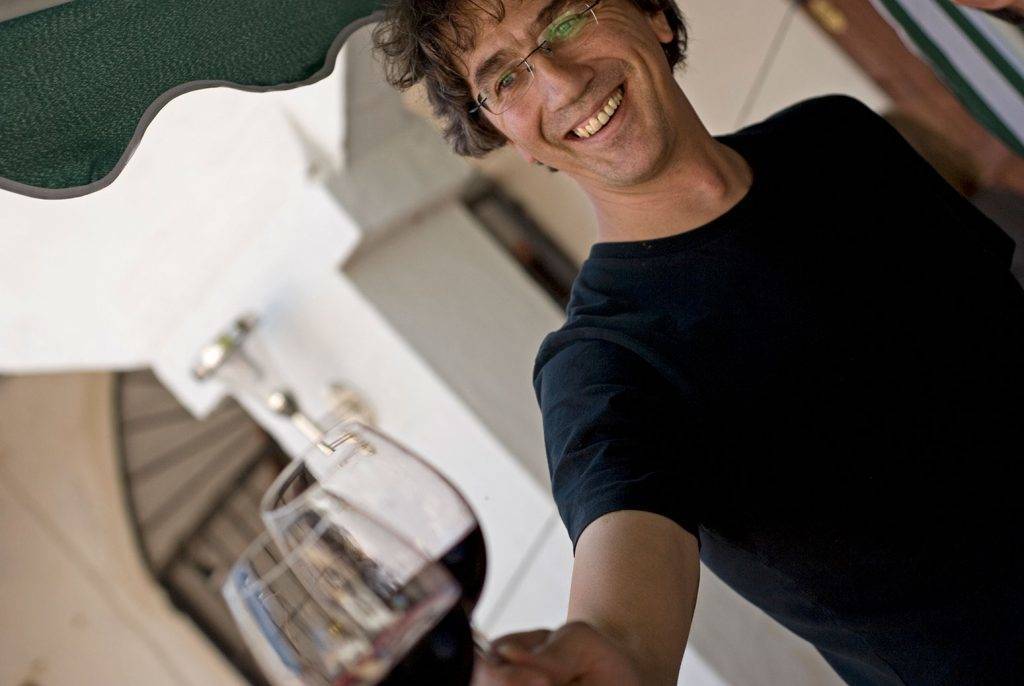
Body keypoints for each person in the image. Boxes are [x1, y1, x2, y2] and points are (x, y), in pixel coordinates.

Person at [371, 1, 1024, 684]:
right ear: (509, 137)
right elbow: (622, 594)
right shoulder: (605, 364)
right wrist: (613, 651)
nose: (560, 83)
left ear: (653, 12)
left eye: (564, 20)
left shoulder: (836, 136)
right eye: (504, 79)